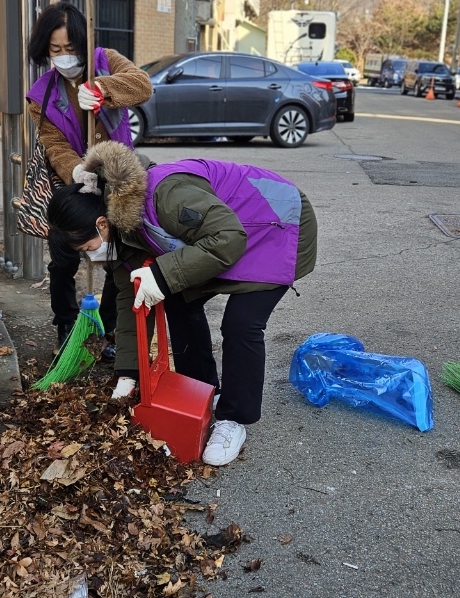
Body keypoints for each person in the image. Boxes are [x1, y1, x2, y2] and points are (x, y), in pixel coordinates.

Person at [46, 141, 318, 466]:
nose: (90, 255)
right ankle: (203, 391)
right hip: (224, 237)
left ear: (101, 224)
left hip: (277, 225)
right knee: (175, 298)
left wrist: (160, 275)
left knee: (241, 322)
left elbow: (228, 238)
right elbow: (129, 299)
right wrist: (128, 374)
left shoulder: (166, 194)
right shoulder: (124, 229)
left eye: (87, 246)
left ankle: (234, 420)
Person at [26, 1, 153, 351]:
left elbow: (142, 85)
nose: (64, 56)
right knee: (63, 254)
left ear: (83, 43)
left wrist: (103, 90)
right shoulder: (43, 93)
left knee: (118, 256)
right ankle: (67, 325)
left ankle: (110, 329)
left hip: (117, 179)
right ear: (45, 50)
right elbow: (52, 142)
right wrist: (76, 170)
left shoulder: (105, 60)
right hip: (75, 184)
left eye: (70, 48)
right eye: (56, 50)